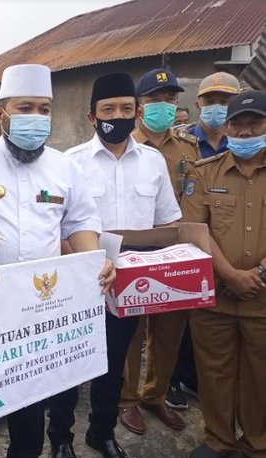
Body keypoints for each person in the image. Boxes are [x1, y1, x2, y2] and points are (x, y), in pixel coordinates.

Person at [0, 63, 115, 458]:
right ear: (1, 114)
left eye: (44, 108)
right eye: (25, 107)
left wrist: (95, 262)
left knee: (33, 387)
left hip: (41, 304)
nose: (36, 117)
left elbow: (80, 223)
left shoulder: (63, 168)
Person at [46, 73, 181, 458]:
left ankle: (102, 435)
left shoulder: (154, 162)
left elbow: (168, 224)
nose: (117, 117)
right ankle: (61, 439)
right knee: (70, 367)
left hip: (130, 286)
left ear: (137, 112)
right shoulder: (69, 163)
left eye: (126, 109)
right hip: (80, 285)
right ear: (92, 116)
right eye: (108, 110)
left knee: (112, 366)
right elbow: (56, 227)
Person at [181, 90, 266, 458]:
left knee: (259, 375)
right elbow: (195, 230)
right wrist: (230, 274)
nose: (245, 130)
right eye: (238, 123)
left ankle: (258, 446)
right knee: (213, 372)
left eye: (255, 123)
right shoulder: (205, 171)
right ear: (227, 126)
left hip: (263, 299)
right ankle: (219, 440)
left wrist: (258, 273)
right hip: (214, 293)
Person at [119, 68, 200, 436]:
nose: (163, 107)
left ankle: (156, 394)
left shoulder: (188, 148)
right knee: (131, 332)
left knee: (169, 332)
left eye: (169, 100)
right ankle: (128, 399)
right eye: (155, 100)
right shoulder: (125, 144)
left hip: (176, 253)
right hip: (135, 251)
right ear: (139, 107)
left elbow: (193, 201)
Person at [166, 71, 241, 411]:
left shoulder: (245, 143)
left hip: (233, 241)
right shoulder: (183, 143)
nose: (218, 108)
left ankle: (206, 380)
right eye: (211, 101)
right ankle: (176, 378)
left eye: (225, 101)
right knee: (182, 318)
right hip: (186, 239)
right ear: (198, 104)